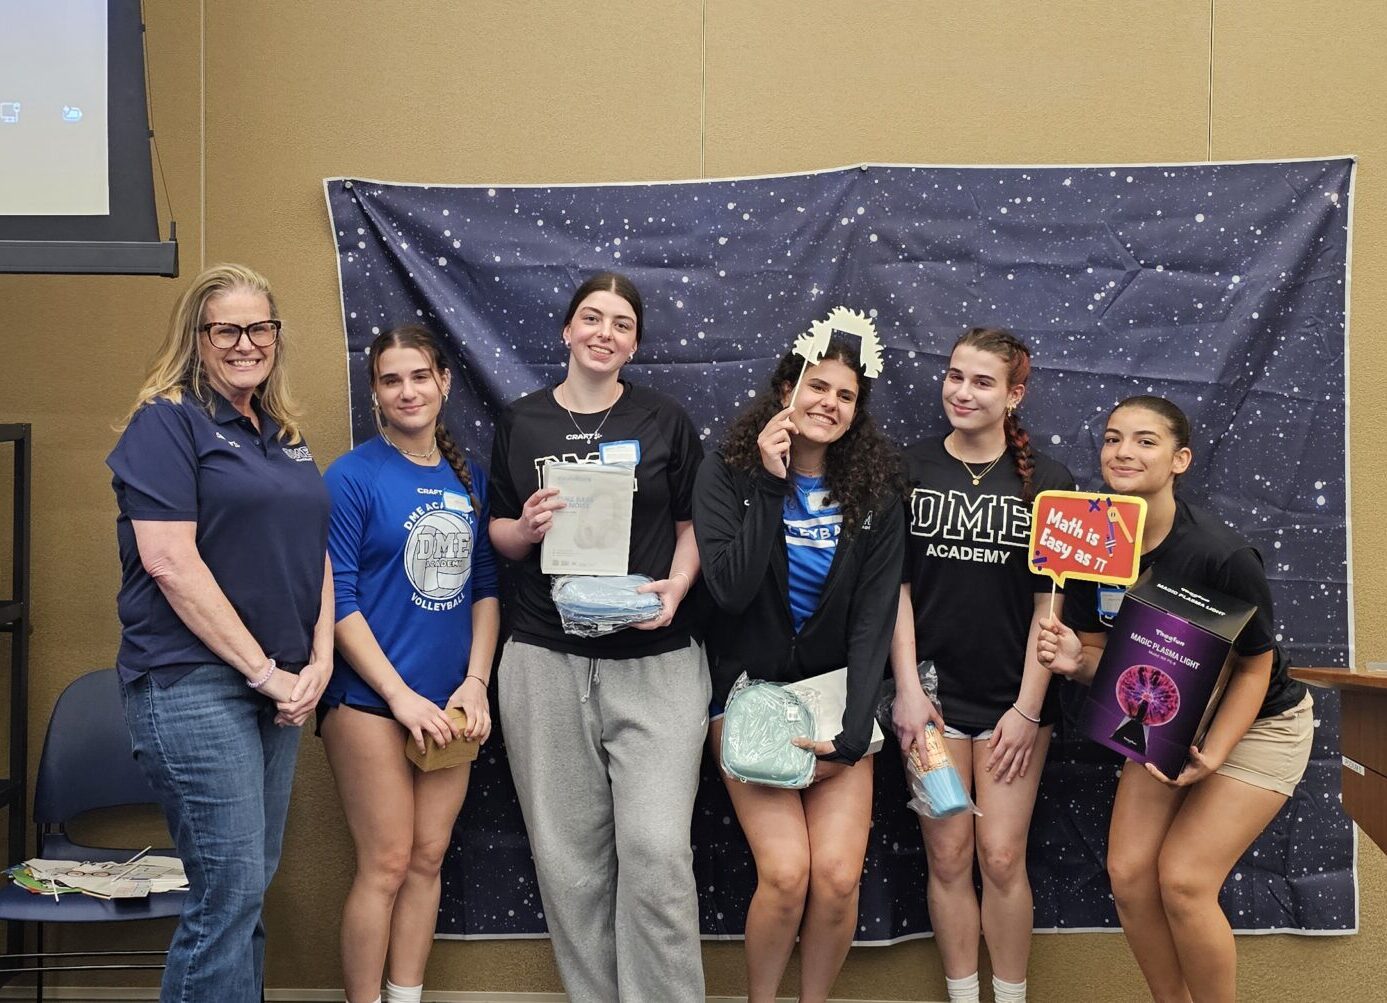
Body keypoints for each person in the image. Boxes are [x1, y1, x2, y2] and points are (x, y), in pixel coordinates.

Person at [1037, 395, 1312, 1003]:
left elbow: (1254, 669)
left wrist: (1213, 753)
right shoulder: (1094, 542)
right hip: (1168, 718)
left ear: (1179, 459)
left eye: (1144, 440)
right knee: (1131, 876)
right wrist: (1072, 657)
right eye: (1112, 438)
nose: (1123, 452)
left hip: (1258, 722)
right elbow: (1098, 653)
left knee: (1184, 882)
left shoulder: (1218, 553)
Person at [108, 263, 333, 1002]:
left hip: (281, 688)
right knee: (227, 894)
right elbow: (169, 561)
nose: (246, 342)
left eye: (258, 327)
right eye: (226, 329)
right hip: (193, 682)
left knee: (245, 894)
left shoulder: (284, 434)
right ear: (196, 339)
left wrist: (319, 661)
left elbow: (317, 551)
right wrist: (266, 671)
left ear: (276, 335)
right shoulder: (166, 421)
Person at [488, 272, 709, 1003]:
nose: (604, 332)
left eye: (620, 323)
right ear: (566, 330)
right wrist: (524, 528)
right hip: (544, 660)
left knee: (655, 851)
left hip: (653, 660)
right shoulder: (522, 422)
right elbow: (497, 532)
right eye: (591, 317)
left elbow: (691, 529)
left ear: (634, 343)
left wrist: (675, 589)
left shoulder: (664, 419)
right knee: (568, 864)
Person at [694, 339, 904, 1003]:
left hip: (833, 700)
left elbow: (874, 618)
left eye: (845, 396)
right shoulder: (725, 473)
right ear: (787, 387)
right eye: (817, 387)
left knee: (838, 878)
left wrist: (853, 731)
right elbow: (727, 588)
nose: (829, 404)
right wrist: (767, 478)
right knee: (785, 874)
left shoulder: (873, 494)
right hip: (748, 699)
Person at [889, 328, 1074, 1003]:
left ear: (1013, 394)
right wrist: (906, 692)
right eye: (955, 375)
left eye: (982, 381)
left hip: (1012, 702)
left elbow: (1048, 609)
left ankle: (1011, 995)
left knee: (999, 856)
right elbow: (895, 591)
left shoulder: (1049, 482)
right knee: (945, 854)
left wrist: (1027, 710)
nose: (962, 392)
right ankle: (963, 994)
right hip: (929, 700)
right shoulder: (905, 469)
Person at [320, 324, 500, 1003]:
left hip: (449, 708)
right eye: (391, 379)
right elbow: (339, 599)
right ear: (375, 392)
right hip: (370, 704)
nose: (407, 391)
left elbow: (485, 588)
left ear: (443, 382)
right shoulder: (352, 476)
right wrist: (397, 696)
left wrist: (476, 684)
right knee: (388, 861)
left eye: (419, 376)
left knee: (428, 860)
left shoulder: (468, 479)